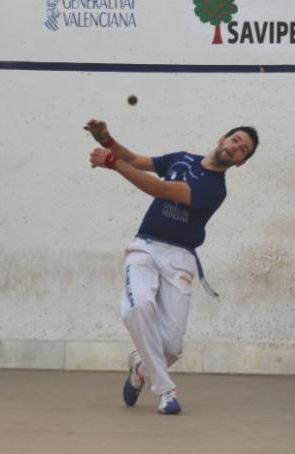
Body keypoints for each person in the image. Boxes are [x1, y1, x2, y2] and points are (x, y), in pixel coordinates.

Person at [85, 118, 259, 415]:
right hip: (146, 247)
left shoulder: (215, 190)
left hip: (181, 258)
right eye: (235, 140)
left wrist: (112, 162)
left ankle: (141, 370)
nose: (235, 148)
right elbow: (136, 161)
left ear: (241, 162)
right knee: (137, 307)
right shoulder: (181, 158)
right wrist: (107, 141)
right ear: (222, 138)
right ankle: (167, 393)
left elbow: (160, 190)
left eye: (242, 150)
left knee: (172, 348)